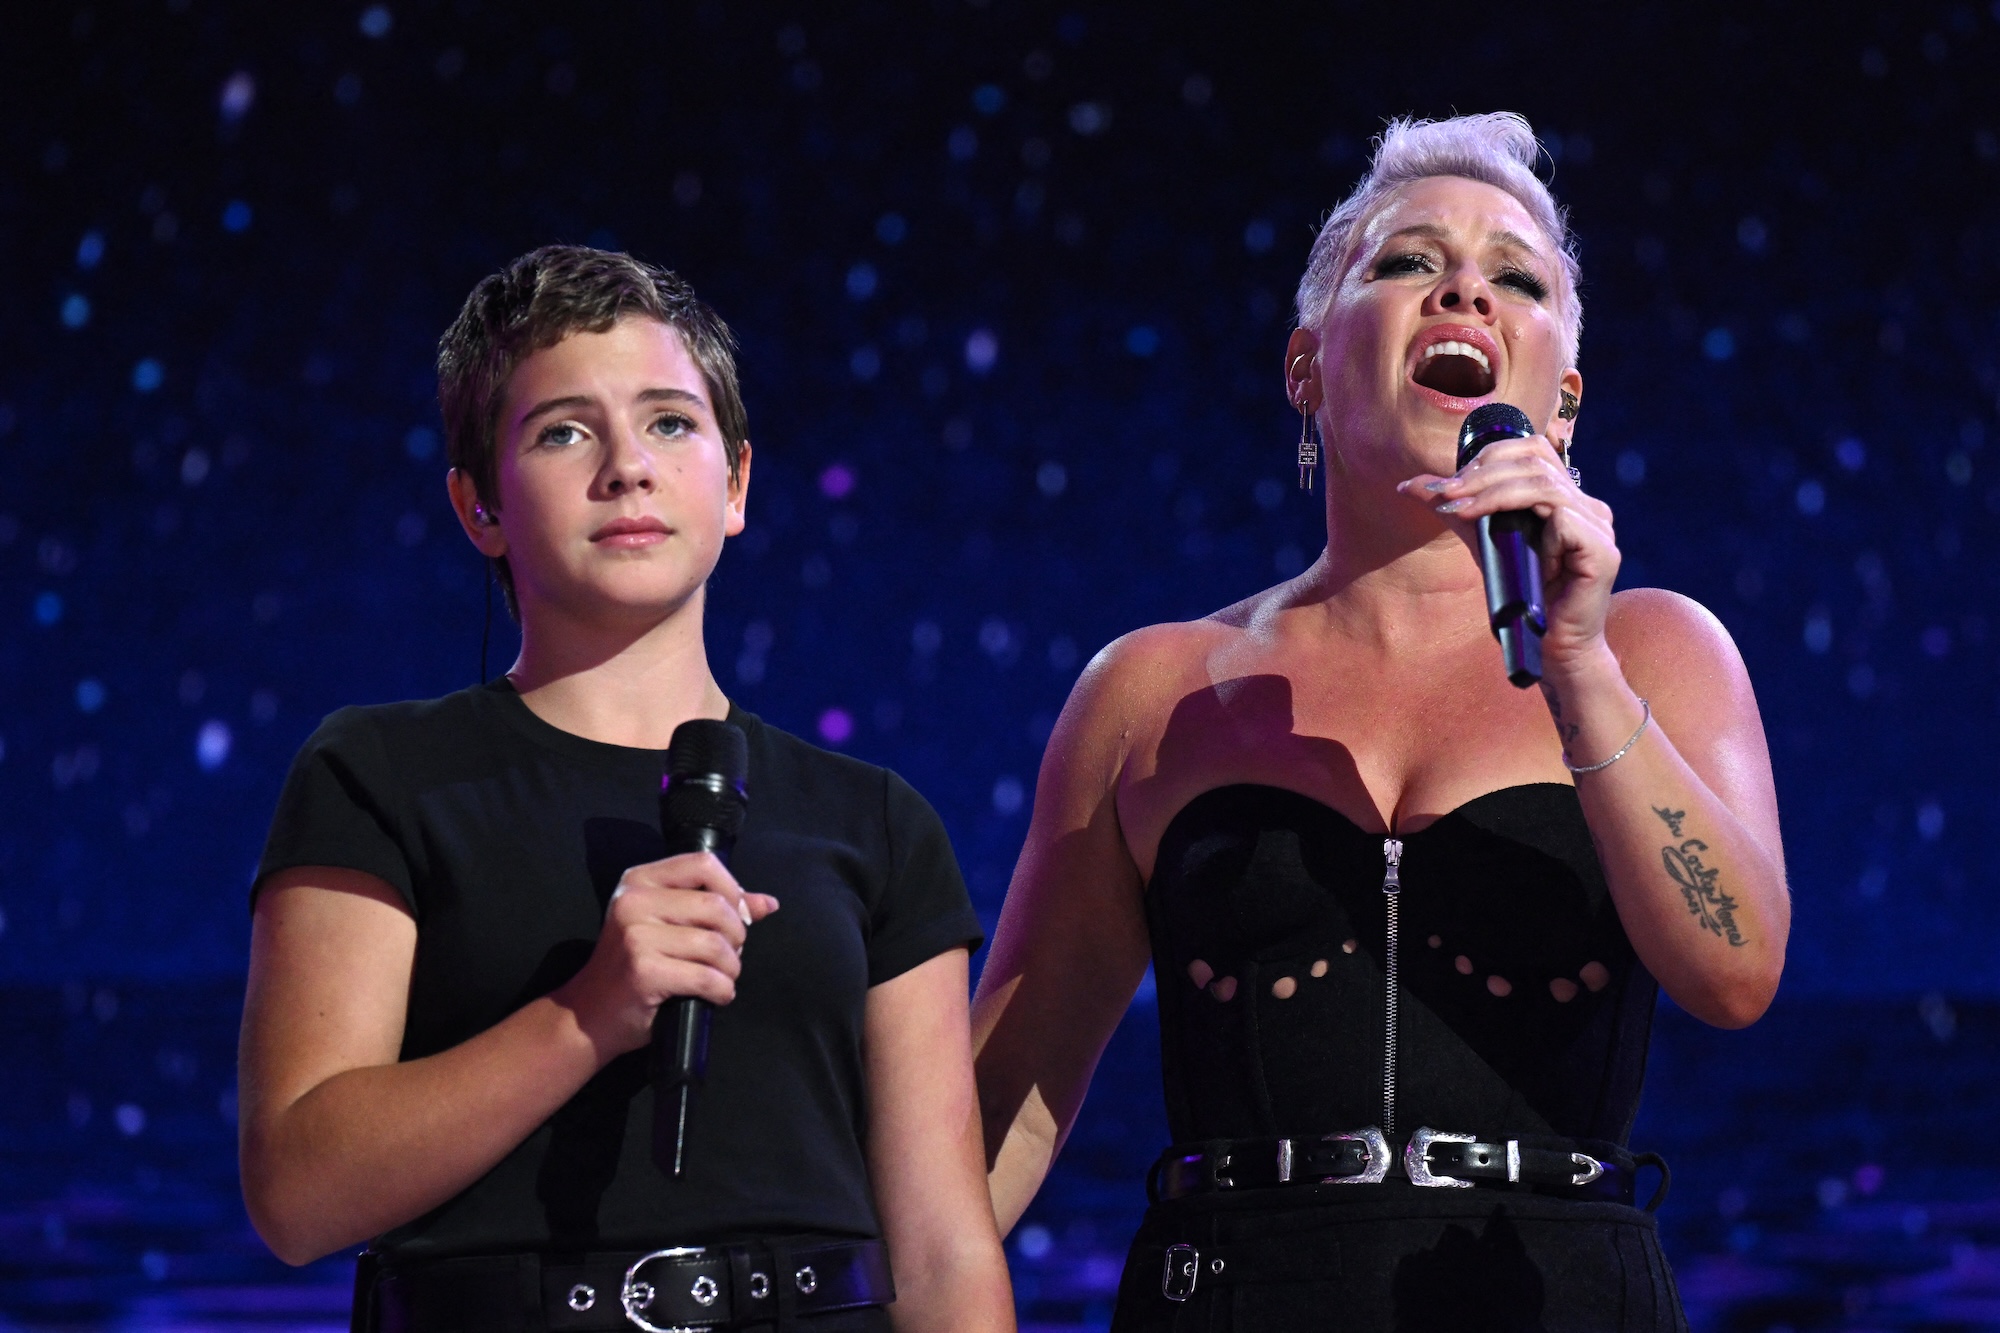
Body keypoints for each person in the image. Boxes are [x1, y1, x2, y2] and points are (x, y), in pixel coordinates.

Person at [971, 113, 1788, 1331]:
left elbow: (1733, 973)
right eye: (1407, 260)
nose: (1464, 286)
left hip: (1550, 1291)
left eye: (1515, 278)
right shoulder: (1149, 692)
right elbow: (1003, 1117)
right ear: (1304, 366)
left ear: (1559, 403)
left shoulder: (1654, 650)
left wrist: (1571, 662)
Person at [238, 246, 1015, 1333]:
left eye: (668, 423)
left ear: (736, 484)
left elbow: (940, 1250)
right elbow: (297, 1192)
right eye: (563, 430)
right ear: (479, 508)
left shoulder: (874, 822)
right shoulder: (378, 775)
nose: (625, 467)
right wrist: (585, 1013)